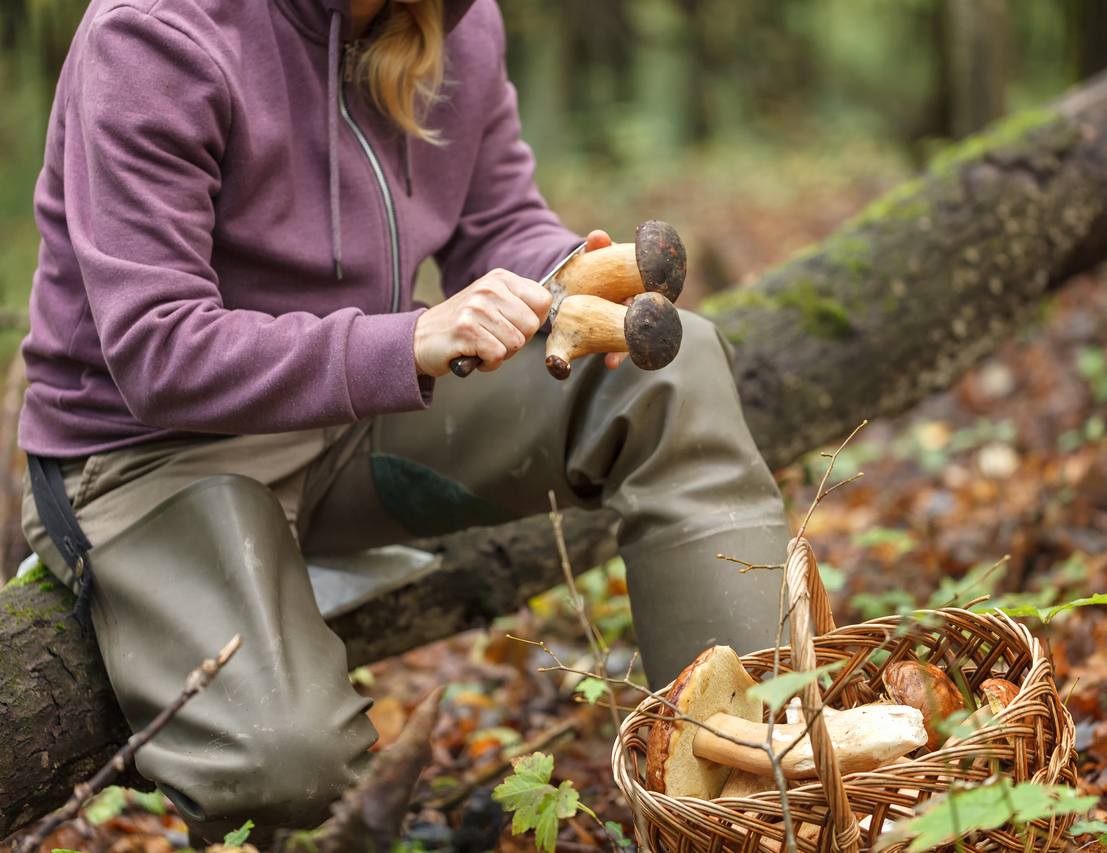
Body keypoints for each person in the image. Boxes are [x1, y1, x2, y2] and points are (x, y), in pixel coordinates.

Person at [18, 0, 789, 841]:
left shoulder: (459, 21)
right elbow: (156, 352)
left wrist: (563, 274)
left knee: (669, 375)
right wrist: (412, 337)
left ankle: (746, 796)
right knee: (290, 767)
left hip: (354, 416)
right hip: (149, 453)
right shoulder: (157, 35)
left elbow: (493, 221)